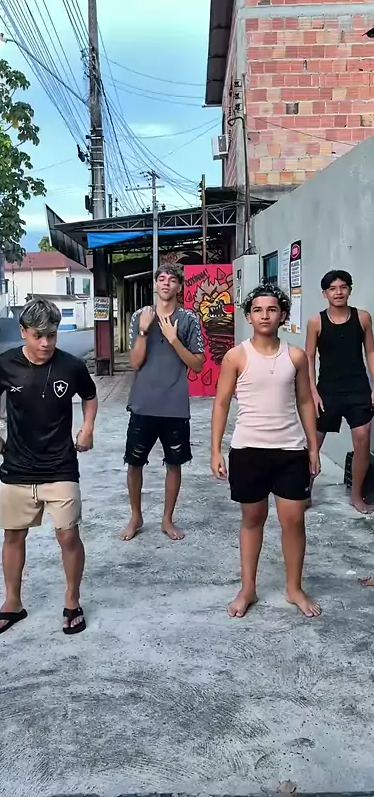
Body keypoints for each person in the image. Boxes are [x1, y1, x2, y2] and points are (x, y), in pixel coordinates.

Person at [0, 298, 97, 637]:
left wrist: (87, 428)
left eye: (51, 335)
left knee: (69, 535)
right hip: (17, 467)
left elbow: (89, 396)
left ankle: (72, 600)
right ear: (23, 332)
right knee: (13, 535)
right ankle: (12, 603)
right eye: (38, 336)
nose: (46, 343)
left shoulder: (71, 366)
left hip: (61, 465)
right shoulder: (4, 364)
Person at [211, 284, 321, 619]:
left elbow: (305, 401)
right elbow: (221, 403)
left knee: (294, 520)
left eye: (272, 310)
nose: (264, 316)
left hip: (290, 449)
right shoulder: (236, 356)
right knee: (252, 519)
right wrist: (215, 449)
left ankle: (294, 588)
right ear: (249, 316)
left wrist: (313, 447)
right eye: (258, 310)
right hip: (248, 450)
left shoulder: (296, 356)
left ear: (283, 315)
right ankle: (248, 588)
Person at [121, 264, 205, 542]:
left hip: (174, 405)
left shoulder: (189, 319)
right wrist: (144, 332)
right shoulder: (140, 316)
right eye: (161, 278)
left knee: (174, 464)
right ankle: (136, 516)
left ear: (179, 286)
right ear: (155, 284)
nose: (166, 283)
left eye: (172, 279)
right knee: (134, 463)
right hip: (143, 403)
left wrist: (173, 340)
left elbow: (197, 364)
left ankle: (167, 519)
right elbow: (135, 363)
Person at [305, 270, 374, 514]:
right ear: (325, 293)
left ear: (350, 290)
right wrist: (313, 392)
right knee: (314, 442)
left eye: (343, 287)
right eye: (333, 289)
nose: (338, 292)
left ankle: (356, 495)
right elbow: (309, 358)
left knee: (363, 439)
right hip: (328, 390)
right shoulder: (316, 322)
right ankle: (305, 491)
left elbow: (370, 352)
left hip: (358, 389)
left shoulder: (363, 318)